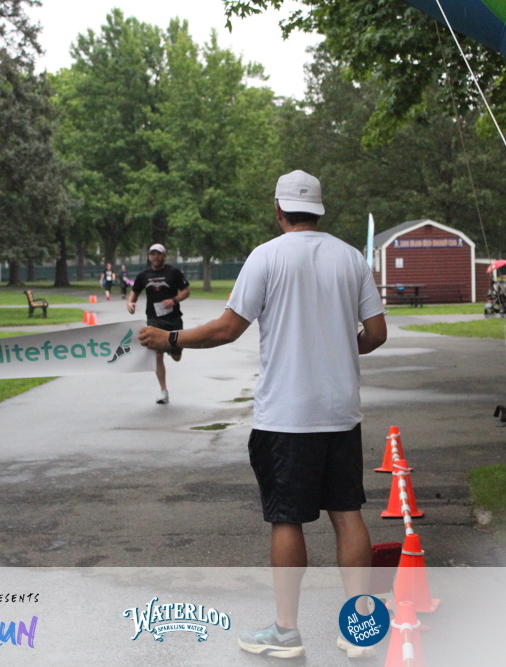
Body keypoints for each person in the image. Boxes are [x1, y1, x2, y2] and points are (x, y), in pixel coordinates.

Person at [139, 170, 387, 659]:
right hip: (340, 412)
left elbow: (227, 329)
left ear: (278, 211)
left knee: (287, 520)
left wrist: (171, 338)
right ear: (319, 210)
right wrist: (339, 348)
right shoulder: (350, 258)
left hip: (286, 417)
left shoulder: (266, 257)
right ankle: (359, 630)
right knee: (347, 514)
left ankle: (286, 632)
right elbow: (376, 332)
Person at [128, 244, 190, 404]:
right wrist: (130, 303)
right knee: (157, 355)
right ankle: (163, 391)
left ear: (164, 256)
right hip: (154, 319)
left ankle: (171, 348)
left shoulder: (174, 273)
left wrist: (174, 300)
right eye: (153, 254)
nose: (156, 257)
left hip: (173, 319)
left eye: (159, 254)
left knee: (176, 357)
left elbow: (186, 291)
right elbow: (134, 293)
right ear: (149, 256)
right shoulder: (144, 275)